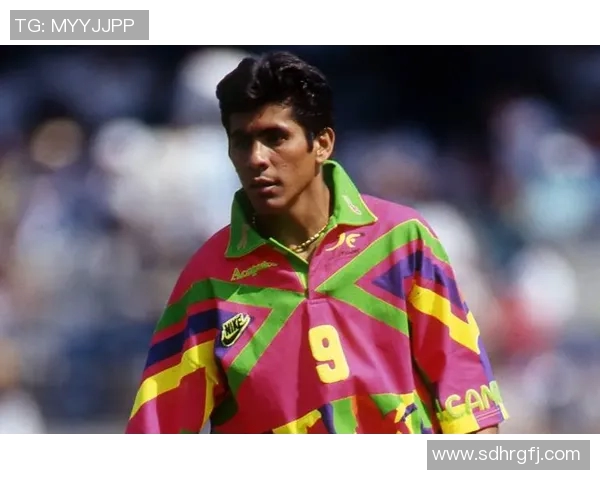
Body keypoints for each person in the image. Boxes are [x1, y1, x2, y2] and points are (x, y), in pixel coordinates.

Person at [125, 51, 509, 434]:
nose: (257, 158)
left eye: (275, 138)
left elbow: (470, 410)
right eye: (242, 142)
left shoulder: (403, 242)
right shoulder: (207, 279)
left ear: (322, 143)